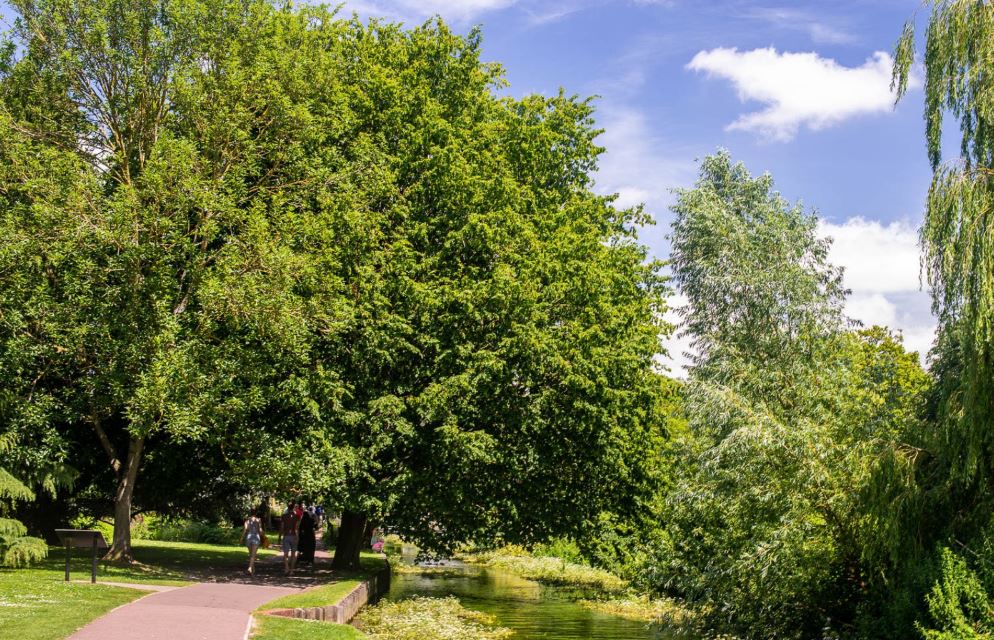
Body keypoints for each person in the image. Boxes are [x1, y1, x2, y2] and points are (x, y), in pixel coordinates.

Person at [240, 508, 264, 575]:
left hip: (249, 537)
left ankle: (253, 570)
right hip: (256, 537)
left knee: (251, 555)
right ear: (256, 513)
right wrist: (263, 535)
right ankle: (250, 568)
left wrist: (241, 538)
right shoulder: (258, 520)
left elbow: (245, 529)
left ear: (250, 512)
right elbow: (260, 530)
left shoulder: (247, 520)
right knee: (253, 555)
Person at [279, 501, 300, 575]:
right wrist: (297, 537)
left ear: (287, 507)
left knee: (286, 553)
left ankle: (286, 568)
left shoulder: (284, 516)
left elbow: (281, 527)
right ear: (293, 507)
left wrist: (279, 536)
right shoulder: (297, 516)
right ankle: (291, 570)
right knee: (293, 554)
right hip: (294, 536)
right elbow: (297, 528)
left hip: (286, 536)